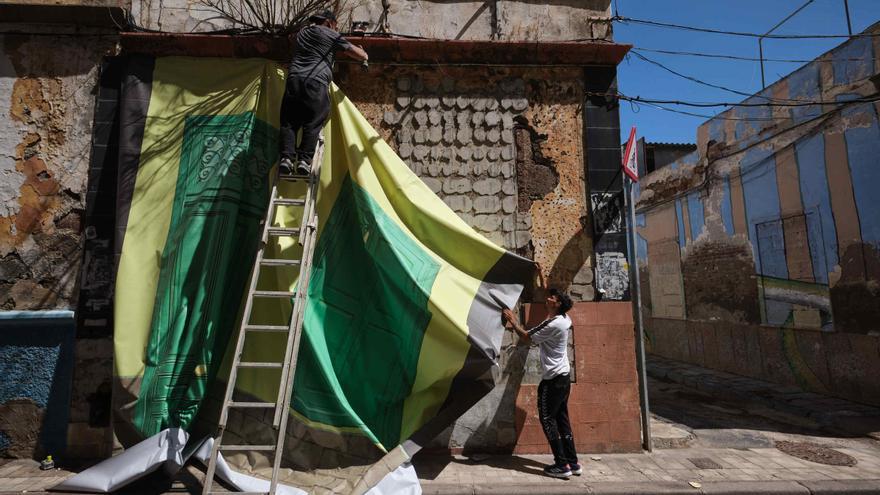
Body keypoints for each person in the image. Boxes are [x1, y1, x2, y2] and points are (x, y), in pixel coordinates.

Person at [502, 265, 581, 479]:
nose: (547, 299)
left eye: (551, 299)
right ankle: (573, 462)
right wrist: (542, 277)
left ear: (557, 304)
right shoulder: (563, 319)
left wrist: (512, 320)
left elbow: (527, 336)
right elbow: (549, 295)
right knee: (562, 418)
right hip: (562, 377)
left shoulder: (554, 325)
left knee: (548, 419)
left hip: (553, 380)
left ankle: (561, 465)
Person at [280, 9, 369, 176]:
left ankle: (286, 158)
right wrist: (364, 54)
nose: (335, 29)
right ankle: (305, 161)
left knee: (289, 122)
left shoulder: (302, 33)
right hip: (316, 82)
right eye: (335, 26)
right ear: (329, 23)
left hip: (294, 80)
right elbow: (354, 53)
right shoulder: (330, 34)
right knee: (313, 121)